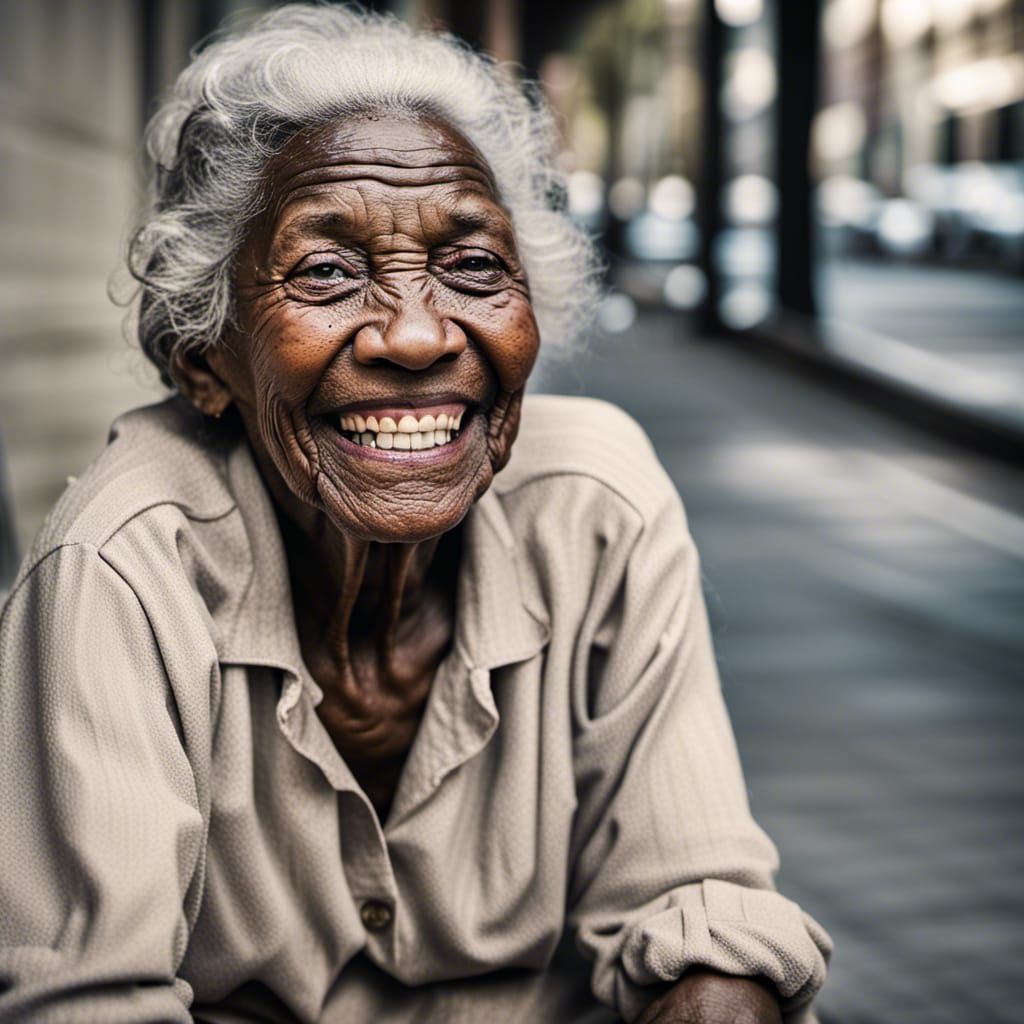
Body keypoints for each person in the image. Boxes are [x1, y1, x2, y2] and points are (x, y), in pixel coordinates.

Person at [0, 5, 830, 1022]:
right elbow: (91, 1003)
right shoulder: (123, 565)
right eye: (328, 270)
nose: (417, 332)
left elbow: (691, 897)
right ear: (204, 359)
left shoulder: (598, 504)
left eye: (473, 265)